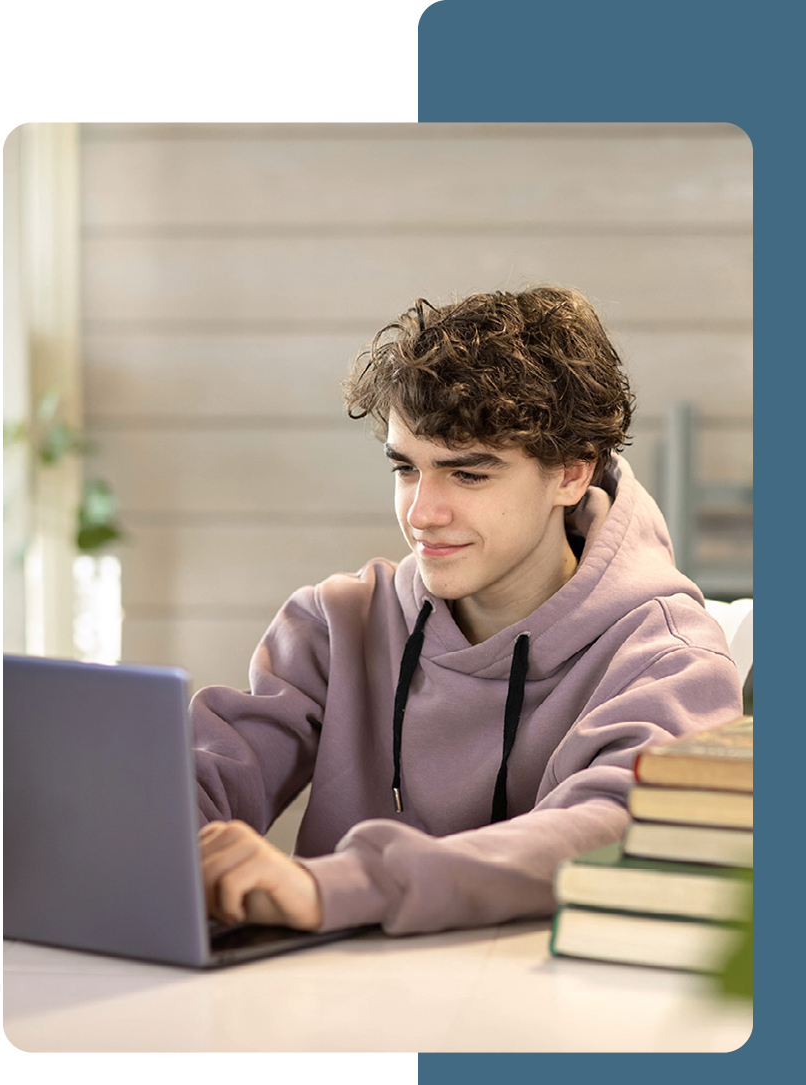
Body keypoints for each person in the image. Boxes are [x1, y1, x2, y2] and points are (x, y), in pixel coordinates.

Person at [194, 286, 744, 936]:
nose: (422, 512)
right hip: (337, 1014)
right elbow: (200, 780)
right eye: (407, 469)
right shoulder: (335, 625)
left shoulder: (671, 658)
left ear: (571, 474)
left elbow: (612, 825)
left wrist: (343, 884)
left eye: (468, 474)